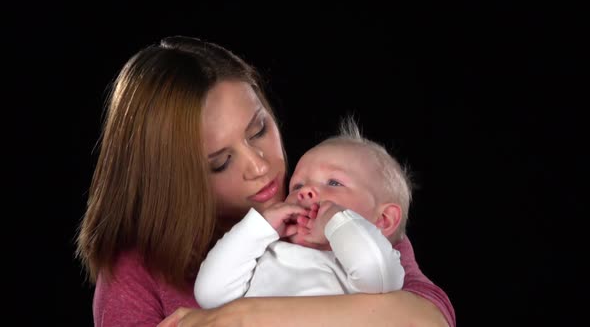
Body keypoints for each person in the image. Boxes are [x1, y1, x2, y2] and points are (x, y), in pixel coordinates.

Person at [76, 35, 456, 327]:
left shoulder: (341, 209)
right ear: (171, 180)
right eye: (221, 162)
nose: (259, 166)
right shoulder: (137, 270)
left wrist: (242, 316)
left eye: (258, 130)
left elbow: (426, 317)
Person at [194, 118, 409, 309]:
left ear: (383, 219)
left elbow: (373, 269)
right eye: (297, 186)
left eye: (334, 182)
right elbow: (210, 295)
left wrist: (337, 220)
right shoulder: (263, 253)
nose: (305, 191)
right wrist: (260, 227)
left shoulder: (363, 268)